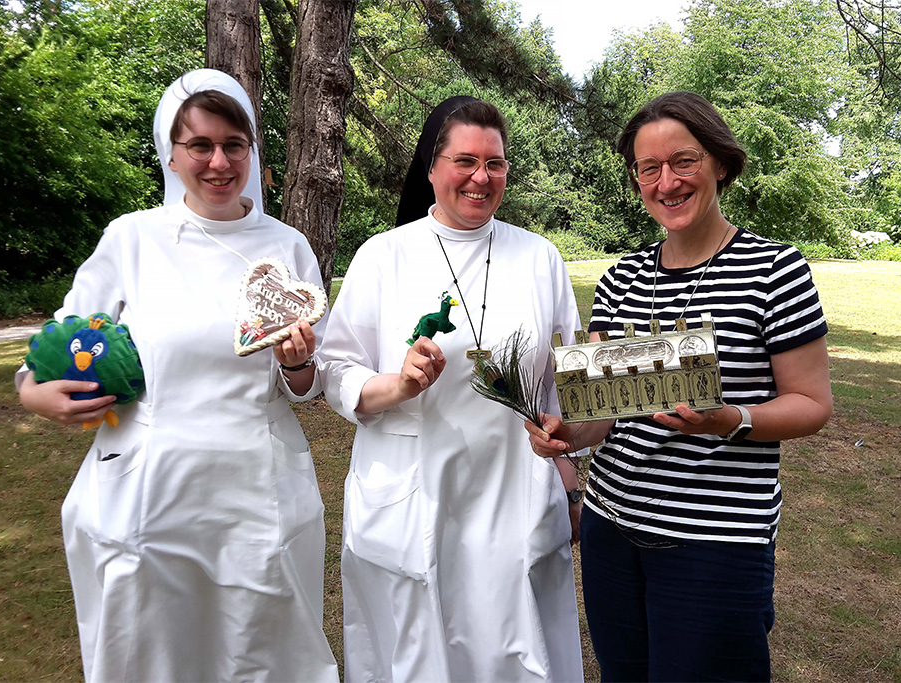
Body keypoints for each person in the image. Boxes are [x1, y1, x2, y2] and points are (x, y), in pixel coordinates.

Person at [16, 69, 339, 682]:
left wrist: (297, 366)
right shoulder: (132, 240)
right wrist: (35, 395)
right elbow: (55, 352)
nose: (218, 162)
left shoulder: (287, 247)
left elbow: (305, 386)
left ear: (252, 151)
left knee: (260, 655)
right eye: (200, 146)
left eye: (233, 146)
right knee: (151, 654)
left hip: (256, 492)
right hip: (148, 493)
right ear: (172, 152)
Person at [527, 90, 833, 682]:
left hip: (717, 543)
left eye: (683, 161)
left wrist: (732, 419)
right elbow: (602, 414)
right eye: (649, 168)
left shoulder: (776, 270)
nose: (667, 181)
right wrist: (568, 431)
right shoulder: (622, 279)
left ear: (719, 161)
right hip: (611, 529)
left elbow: (813, 404)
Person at [317, 97, 585, 682]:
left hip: (513, 490)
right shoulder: (383, 257)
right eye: (465, 160)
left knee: (513, 652)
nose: (481, 177)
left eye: (496, 162)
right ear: (432, 166)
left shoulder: (539, 257)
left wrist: (570, 473)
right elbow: (335, 367)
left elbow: (565, 380)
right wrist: (396, 385)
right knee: (419, 656)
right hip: (415, 490)